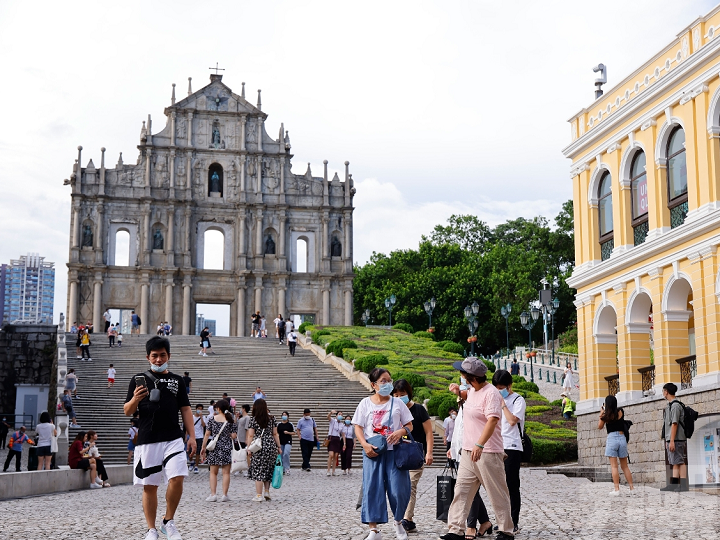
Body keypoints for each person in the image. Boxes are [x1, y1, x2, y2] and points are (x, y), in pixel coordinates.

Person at [124, 336, 196, 540]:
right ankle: (151, 529)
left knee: (177, 477)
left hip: (173, 437)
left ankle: (168, 521)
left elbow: (186, 409)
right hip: (148, 438)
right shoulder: (138, 379)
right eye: (154, 356)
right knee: (150, 485)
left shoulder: (177, 380)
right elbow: (127, 411)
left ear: (169, 356)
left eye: (162, 355)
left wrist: (191, 436)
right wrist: (135, 399)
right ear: (148, 357)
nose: (158, 359)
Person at [441, 358, 514, 540]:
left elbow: (492, 420)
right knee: (461, 491)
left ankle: (506, 530)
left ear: (471, 377)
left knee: (496, 492)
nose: (461, 376)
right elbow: (468, 398)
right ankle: (455, 530)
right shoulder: (472, 390)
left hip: (487, 451)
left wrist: (479, 444)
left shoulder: (492, 394)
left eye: (463, 374)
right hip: (467, 451)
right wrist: (459, 392)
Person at [353, 368, 414, 540]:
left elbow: (410, 425)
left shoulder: (398, 403)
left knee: (398, 490)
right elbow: (358, 426)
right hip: (373, 452)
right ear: (373, 385)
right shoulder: (365, 403)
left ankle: (398, 522)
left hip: (395, 453)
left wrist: (400, 431)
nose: (388, 384)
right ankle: (374, 530)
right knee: (372, 489)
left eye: (389, 380)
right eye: (383, 381)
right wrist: (364, 445)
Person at [392, 379, 434, 535]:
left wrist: (429, 452)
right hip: (397, 454)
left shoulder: (418, 410)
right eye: (395, 394)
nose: (398, 397)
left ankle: (407, 519)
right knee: (398, 488)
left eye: (402, 394)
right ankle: (403, 518)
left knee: (411, 486)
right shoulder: (393, 409)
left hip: (414, 454)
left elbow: (429, 432)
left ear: (408, 394)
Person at [492, 369, 527, 532]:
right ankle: (502, 520)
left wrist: (503, 405)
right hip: (496, 446)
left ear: (509, 386)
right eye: (497, 387)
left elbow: (513, 420)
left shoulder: (518, 400)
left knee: (512, 485)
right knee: (498, 487)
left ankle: (514, 522)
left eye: (502, 387)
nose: (499, 391)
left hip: (512, 447)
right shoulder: (493, 399)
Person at [200, 399, 238, 502]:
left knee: (213, 472)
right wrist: (227, 435)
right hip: (226, 447)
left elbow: (207, 434)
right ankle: (225, 495)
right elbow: (234, 435)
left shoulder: (212, 419)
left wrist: (203, 447)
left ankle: (213, 494)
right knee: (226, 473)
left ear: (219, 408)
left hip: (215, 447)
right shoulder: (230, 419)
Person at [598, 395, 634, 495]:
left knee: (614, 467)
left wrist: (601, 413)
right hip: (622, 438)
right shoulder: (620, 411)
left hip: (612, 439)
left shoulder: (606, 415)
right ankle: (632, 488)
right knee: (625, 466)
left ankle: (617, 489)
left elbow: (600, 427)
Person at [246, 398, 282, 501]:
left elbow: (250, 435)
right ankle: (266, 491)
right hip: (270, 445)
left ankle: (258, 495)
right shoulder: (272, 418)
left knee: (258, 470)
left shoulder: (253, 419)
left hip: (258, 446)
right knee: (268, 469)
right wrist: (278, 446)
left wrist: (249, 448)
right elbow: (275, 433)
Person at [661, 382, 688, 492]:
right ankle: (674, 484)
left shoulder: (675, 406)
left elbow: (675, 423)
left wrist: (671, 440)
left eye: (663, 391)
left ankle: (683, 485)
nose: (663, 393)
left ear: (666, 392)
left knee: (680, 461)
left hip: (676, 438)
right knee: (675, 461)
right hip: (672, 438)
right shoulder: (670, 405)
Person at [326, 409, 344, 476]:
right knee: (331, 455)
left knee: (335, 456)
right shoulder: (333, 421)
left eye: (341, 415)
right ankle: (328, 470)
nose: (340, 416)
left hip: (337, 439)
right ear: (336, 416)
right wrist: (331, 413)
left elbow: (343, 434)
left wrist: (344, 443)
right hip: (331, 438)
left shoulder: (342, 424)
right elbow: (328, 417)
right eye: (339, 414)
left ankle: (333, 471)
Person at [189, 404, 206, 473]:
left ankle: (196, 466)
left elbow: (204, 425)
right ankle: (192, 461)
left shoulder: (203, 417)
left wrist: (201, 417)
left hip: (200, 436)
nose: (199, 410)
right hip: (192, 436)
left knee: (198, 452)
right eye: (198, 408)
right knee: (190, 451)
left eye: (201, 409)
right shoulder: (192, 417)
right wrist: (187, 436)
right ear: (196, 409)